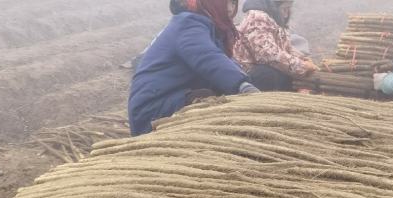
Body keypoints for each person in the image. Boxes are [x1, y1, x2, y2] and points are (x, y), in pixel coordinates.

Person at [128, 0, 259, 136]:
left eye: (234, 3)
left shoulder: (210, 30)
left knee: (225, 93)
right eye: (226, 2)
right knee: (206, 100)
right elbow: (207, 57)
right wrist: (241, 85)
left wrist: (246, 82)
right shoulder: (188, 23)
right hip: (152, 110)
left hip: (173, 99)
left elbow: (223, 60)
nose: (231, 8)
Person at [234, 0, 317, 90]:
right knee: (269, 73)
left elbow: (284, 48)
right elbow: (268, 55)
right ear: (273, 5)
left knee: (283, 74)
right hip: (250, 76)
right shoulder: (257, 18)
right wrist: (301, 66)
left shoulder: (274, 20)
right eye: (284, 9)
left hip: (264, 72)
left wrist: (301, 58)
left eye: (288, 9)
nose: (286, 14)